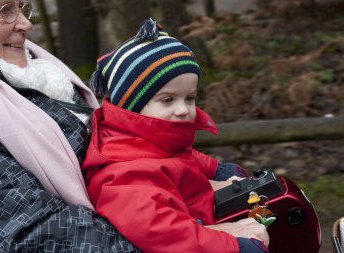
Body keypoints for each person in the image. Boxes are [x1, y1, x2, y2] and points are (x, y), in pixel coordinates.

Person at [0, 0, 140, 252]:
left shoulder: (43, 71)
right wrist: (175, 239)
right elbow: (27, 234)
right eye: (5, 10)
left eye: (23, 7)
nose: (27, 24)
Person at [82, 19, 270, 253]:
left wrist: (215, 170)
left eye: (189, 98)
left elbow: (180, 157)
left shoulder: (152, 139)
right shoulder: (125, 174)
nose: (183, 109)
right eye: (167, 99)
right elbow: (162, 232)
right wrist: (232, 246)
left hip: (200, 213)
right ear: (130, 106)